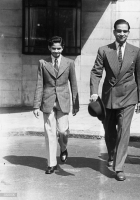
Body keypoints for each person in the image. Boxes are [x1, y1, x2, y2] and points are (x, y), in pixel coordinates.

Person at [90, 19, 140, 181]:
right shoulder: (104, 50)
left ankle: (119, 167)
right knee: (109, 131)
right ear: (114, 32)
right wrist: (94, 92)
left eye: (125, 31)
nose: (122, 34)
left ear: (129, 32)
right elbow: (96, 72)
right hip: (109, 97)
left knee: (123, 130)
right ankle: (112, 154)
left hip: (129, 96)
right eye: (119, 31)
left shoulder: (136, 51)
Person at [33, 36, 79, 174]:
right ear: (49, 48)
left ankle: (63, 148)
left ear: (63, 48)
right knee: (50, 132)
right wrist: (36, 105)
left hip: (63, 101)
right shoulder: (43, 63)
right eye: (54, 48)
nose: (56, 51)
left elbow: (74, 84)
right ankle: (51, 164)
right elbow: (39, 84)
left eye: (59, 48)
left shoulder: (69, 63)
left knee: (63, 131)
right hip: (48, 101)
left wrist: (76, 104)